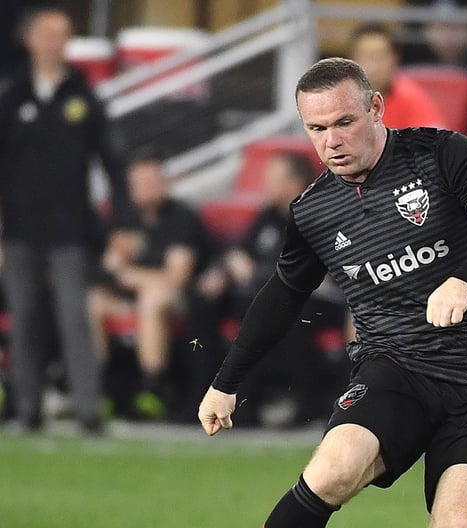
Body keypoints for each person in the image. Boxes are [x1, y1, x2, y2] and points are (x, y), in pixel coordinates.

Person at [196, 57, 467, 528]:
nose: (331, 141)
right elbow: (283, 295)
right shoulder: (314, 210)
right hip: (396, 370)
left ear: (376, 108)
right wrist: (226, 382)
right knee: (333, 469)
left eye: (344, 122)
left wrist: (466, 281)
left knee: (459, 526)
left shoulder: (441, 155)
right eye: (316, 129)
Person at [0, 5, 131, 433]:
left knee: (75, 316)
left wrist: (121, 224)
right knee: (25, 319)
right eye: (48, 34)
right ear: (30, 40)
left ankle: (89, 410)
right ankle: (28, 409)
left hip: (71, 230)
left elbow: (112, 160)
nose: (57, 43)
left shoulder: (82, 94)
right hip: (20, 230)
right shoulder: (13, 96)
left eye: (63, 35)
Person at [196, 151, 347, 426]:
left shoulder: (319, 214)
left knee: (284, 314)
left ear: (295, 182)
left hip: (323, 302)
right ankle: (215, 398)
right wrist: (225, 266)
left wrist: (257, 271)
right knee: (207, 305)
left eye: (274, 179)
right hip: (269, 296)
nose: (266, 185)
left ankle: (306, 404)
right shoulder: (268, 216)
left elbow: (311, 272)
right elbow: (238, 250)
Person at [89, 152, 210, 420]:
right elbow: (105, 269)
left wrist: (127, 273)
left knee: (152, 299)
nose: (145, 188)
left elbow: (176, 278)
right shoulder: (120, 220)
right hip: (126, 296)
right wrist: (123, 274)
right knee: (93, 301)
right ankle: (98, 385)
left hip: (178, 302)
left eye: (152, 181)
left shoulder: (182, 218)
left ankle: (152, 387)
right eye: (139, 183)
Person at [349, 23, 448, 129]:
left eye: (380, 56)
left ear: (394, 59)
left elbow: (436, 138)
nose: (374, 66)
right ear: (352, 60)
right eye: (367, 57)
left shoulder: (410, 96)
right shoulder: (340, 99)